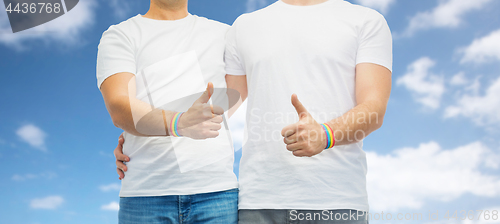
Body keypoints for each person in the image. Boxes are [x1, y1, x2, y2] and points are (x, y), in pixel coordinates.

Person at [117, 0, 392, 223]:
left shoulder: (366, 21)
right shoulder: (244, 26)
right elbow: (220, 107)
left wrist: (326, 134)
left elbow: (374, 109)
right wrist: (136, 139)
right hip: (258, 202)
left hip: (337, 201)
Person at [96, 0, 238, 223]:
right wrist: (178, 123)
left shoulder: (225, 35)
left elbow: (243, 91)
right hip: (146, 195)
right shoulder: (122, 35)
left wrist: (139, 126)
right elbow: (119, 105)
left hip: (217, 192)